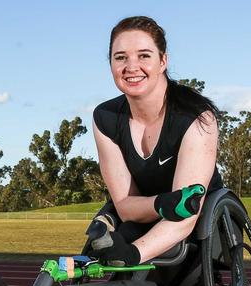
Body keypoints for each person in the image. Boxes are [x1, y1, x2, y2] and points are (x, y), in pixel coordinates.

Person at [87, 15, 223, 267]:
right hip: (142, 217)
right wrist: (162, 204)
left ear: (163, 61)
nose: (131, 66)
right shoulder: (104, 118)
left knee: (122, 250)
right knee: (97, 249)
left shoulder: (196, 118)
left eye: (144, 56)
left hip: (199, 232)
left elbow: (186, 214)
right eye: (120, 58)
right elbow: (126, 207)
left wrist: (133, 254)